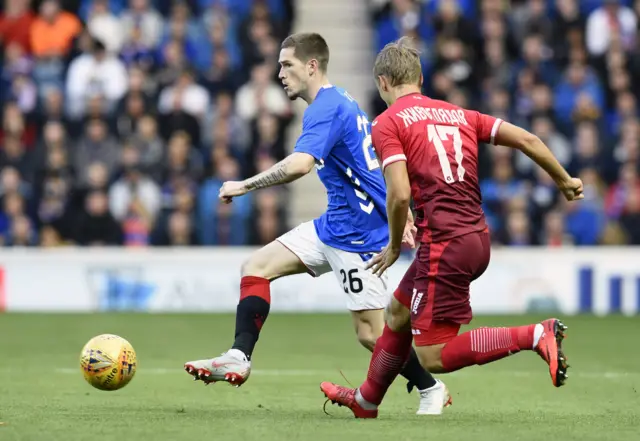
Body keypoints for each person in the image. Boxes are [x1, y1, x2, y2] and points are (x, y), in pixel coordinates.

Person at [320, 37, 583, 418]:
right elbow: (528, 139)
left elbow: (398, 195)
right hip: (476, 238)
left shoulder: (387, 123)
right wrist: (563, 180)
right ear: (421, 78)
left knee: (433, 356)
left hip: (445, 246)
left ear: (382, 83)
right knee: (396, 312)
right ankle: (366, 401)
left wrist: (394, 245)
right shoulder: (460, 114)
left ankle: (534, 335)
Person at [184, 33, 446, 415]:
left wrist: (243, 185)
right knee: (255, 267)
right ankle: (239, 356)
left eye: (286, 65)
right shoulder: (342, 101)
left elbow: (300, 164)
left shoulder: (326, 107)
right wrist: (399, 212)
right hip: (332, 226)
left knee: (372, 336)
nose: (280, 74)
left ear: (311, 66)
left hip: (356, 237)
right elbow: (367, 161)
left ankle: (431, 387)